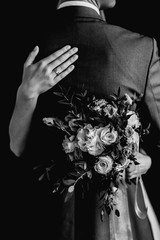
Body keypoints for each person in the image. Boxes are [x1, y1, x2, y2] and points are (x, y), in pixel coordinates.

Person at [9, 0, 160, 239]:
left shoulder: (27, 41)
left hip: (43, 217)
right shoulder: (141, 48)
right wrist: (147, 158)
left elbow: (17, 147)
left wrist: (26, 95)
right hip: (116, 220)